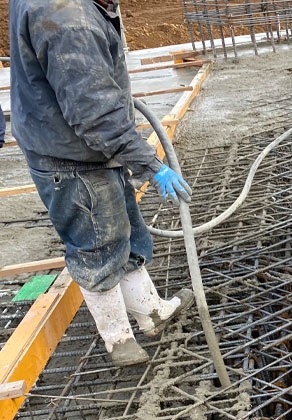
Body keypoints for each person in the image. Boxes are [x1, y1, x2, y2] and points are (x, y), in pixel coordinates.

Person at [9, 0, 195, 367]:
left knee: (124, 232)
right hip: (71, 157)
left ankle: (149, 310)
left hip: (83, 146)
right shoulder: (69, 18)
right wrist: (151, 165)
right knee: (97, 245)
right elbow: (95, 113)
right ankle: (118, 337)